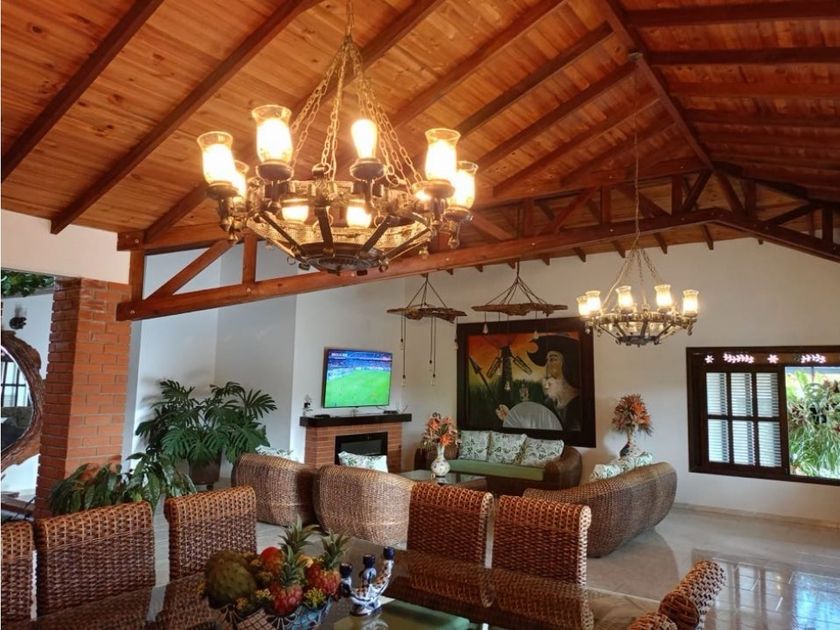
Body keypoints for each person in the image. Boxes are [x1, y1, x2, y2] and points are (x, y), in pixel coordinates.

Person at [527, 334, 581, 431]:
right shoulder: (549, 404)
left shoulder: (579, 404)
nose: (547, 366)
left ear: (567, 364)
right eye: (547, 360)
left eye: (552, 359)